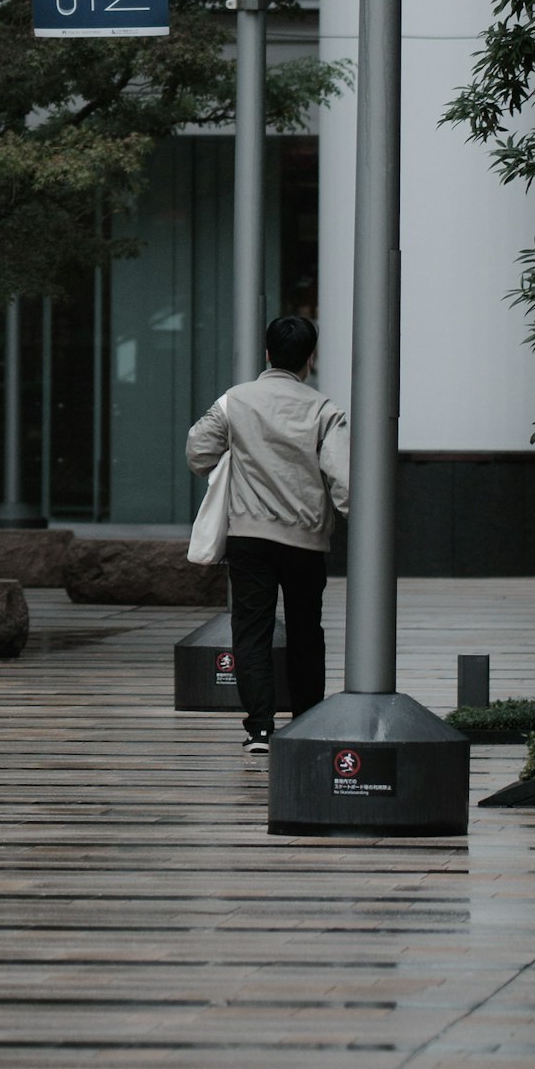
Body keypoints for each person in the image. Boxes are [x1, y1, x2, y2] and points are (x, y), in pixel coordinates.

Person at [184, 312, 350, 753]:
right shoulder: (324, 409)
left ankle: (259, 729)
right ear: (309, 359)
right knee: (305, 630)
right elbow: (344, 479)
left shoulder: (233, 401)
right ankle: (307, 721)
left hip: (249, 537)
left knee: (252, 630)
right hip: (305, 539)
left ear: (266, 353)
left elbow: (198, 451)